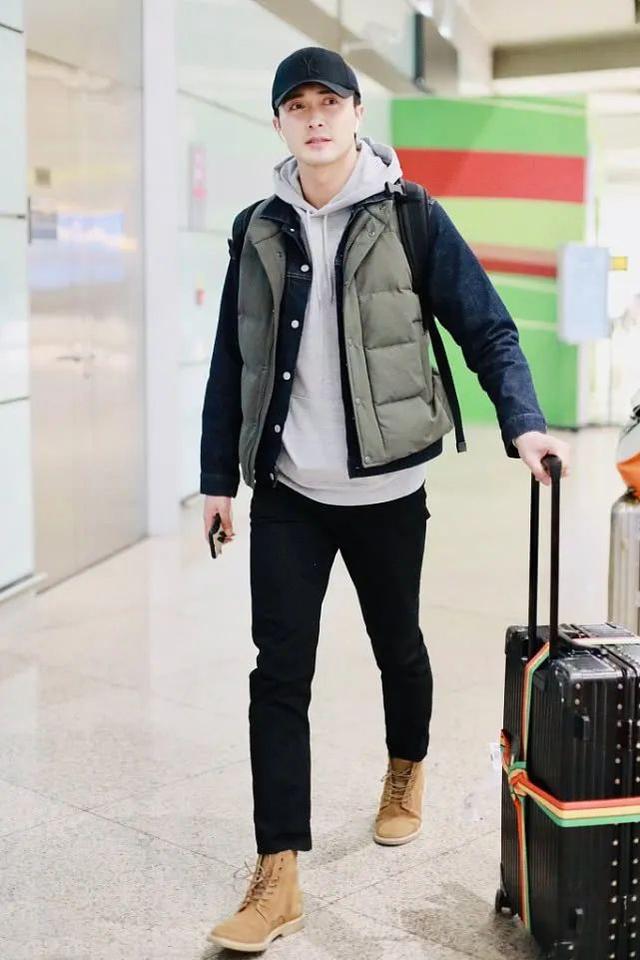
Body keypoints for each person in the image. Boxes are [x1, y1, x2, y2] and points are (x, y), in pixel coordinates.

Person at [200, 46, 571, 953]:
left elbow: (487, 326)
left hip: (388, 485)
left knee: (396, 643)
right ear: (279, 124)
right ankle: (278, 871)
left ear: (358, 114)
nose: (314, 118)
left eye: (329, 102)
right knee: (277, 672)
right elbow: (231, 358)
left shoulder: (412, 215)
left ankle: (406, 765)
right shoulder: (257, 228)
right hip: (289, 487)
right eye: (297, 106)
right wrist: (217, 478)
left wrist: (524, 423)